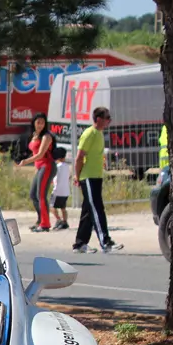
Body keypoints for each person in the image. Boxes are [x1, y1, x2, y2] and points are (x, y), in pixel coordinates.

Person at [72, 106, 123, 253]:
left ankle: (80, 243)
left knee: (88, 210)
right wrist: (77, 176)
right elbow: (79, 157)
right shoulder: (90, 134)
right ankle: (105, 242)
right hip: (88, 176)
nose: (110, 121)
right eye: (108, 118)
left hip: (96, 176)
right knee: (97, 209)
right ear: (99, 119)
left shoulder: (99, 134)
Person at [15, 113, 55, 232]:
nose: (40, 125)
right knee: (33, 195)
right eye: (38, 122)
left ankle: (45, 224)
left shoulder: (46, 137)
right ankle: (40, 220)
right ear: (34, 123)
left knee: (41, 195)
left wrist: (25, 161)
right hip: (40, 167)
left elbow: (40, 154)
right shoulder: (34, 135)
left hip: (47, 166)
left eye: (42, 123)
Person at [50, 147, 71, 231]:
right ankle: (65, 222)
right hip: (65, 191)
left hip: (57, 191)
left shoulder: (57, 167)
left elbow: (55, 178)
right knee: (63, 208)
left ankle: (58, 220)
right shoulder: (67, 166)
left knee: (51, 206)